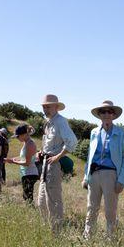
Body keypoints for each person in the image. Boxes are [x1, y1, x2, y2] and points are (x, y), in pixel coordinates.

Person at [82, 101, 124, 239]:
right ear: (99, 115)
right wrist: (86, 177)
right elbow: (89, 156)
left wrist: (121, 179)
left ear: (114, 114)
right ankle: (88, 238)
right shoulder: (94, 132)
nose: (106, 114)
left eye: (109, 111)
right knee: (91, 208)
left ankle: (110, 240)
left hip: (111, 174)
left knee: (110, 210)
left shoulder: (121, 133)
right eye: (103, 111)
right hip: (94, 173)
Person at [37, 94, 78, 235]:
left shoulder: (61, 122)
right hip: (45, 163)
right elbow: (50, 143)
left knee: (53, 201)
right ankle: (46, 230)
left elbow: (72, 141)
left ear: (56, 107)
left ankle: (56, 233)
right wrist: (42, 151)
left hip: (53, 164)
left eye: (48, 106)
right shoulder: (48, 123)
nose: (45, 109)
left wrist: (58, 156)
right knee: (41, 202)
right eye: (44, 106)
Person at [5, 125, 39, 204]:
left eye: (17, 136)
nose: (17, 138)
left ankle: (31, 213)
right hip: (27, 173)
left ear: (24, 134)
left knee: (28, 198)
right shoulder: (26, 143)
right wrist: (12, 159)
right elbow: (23, 158)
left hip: (30, 174)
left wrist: (13, 162)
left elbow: (27, 163)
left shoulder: (30, 144)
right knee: (26, 197)